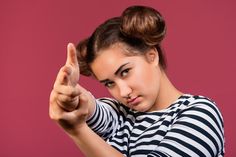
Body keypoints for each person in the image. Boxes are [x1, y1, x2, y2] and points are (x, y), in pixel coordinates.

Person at [49, 5, 225, 157]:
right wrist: (69, 96)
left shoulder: (200, 114)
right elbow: (88, 106)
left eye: (125, 72)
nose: (123, 92)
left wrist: (77, 130)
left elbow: (81, 121)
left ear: (151, 56)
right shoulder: (120, 114)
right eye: (109, 83)